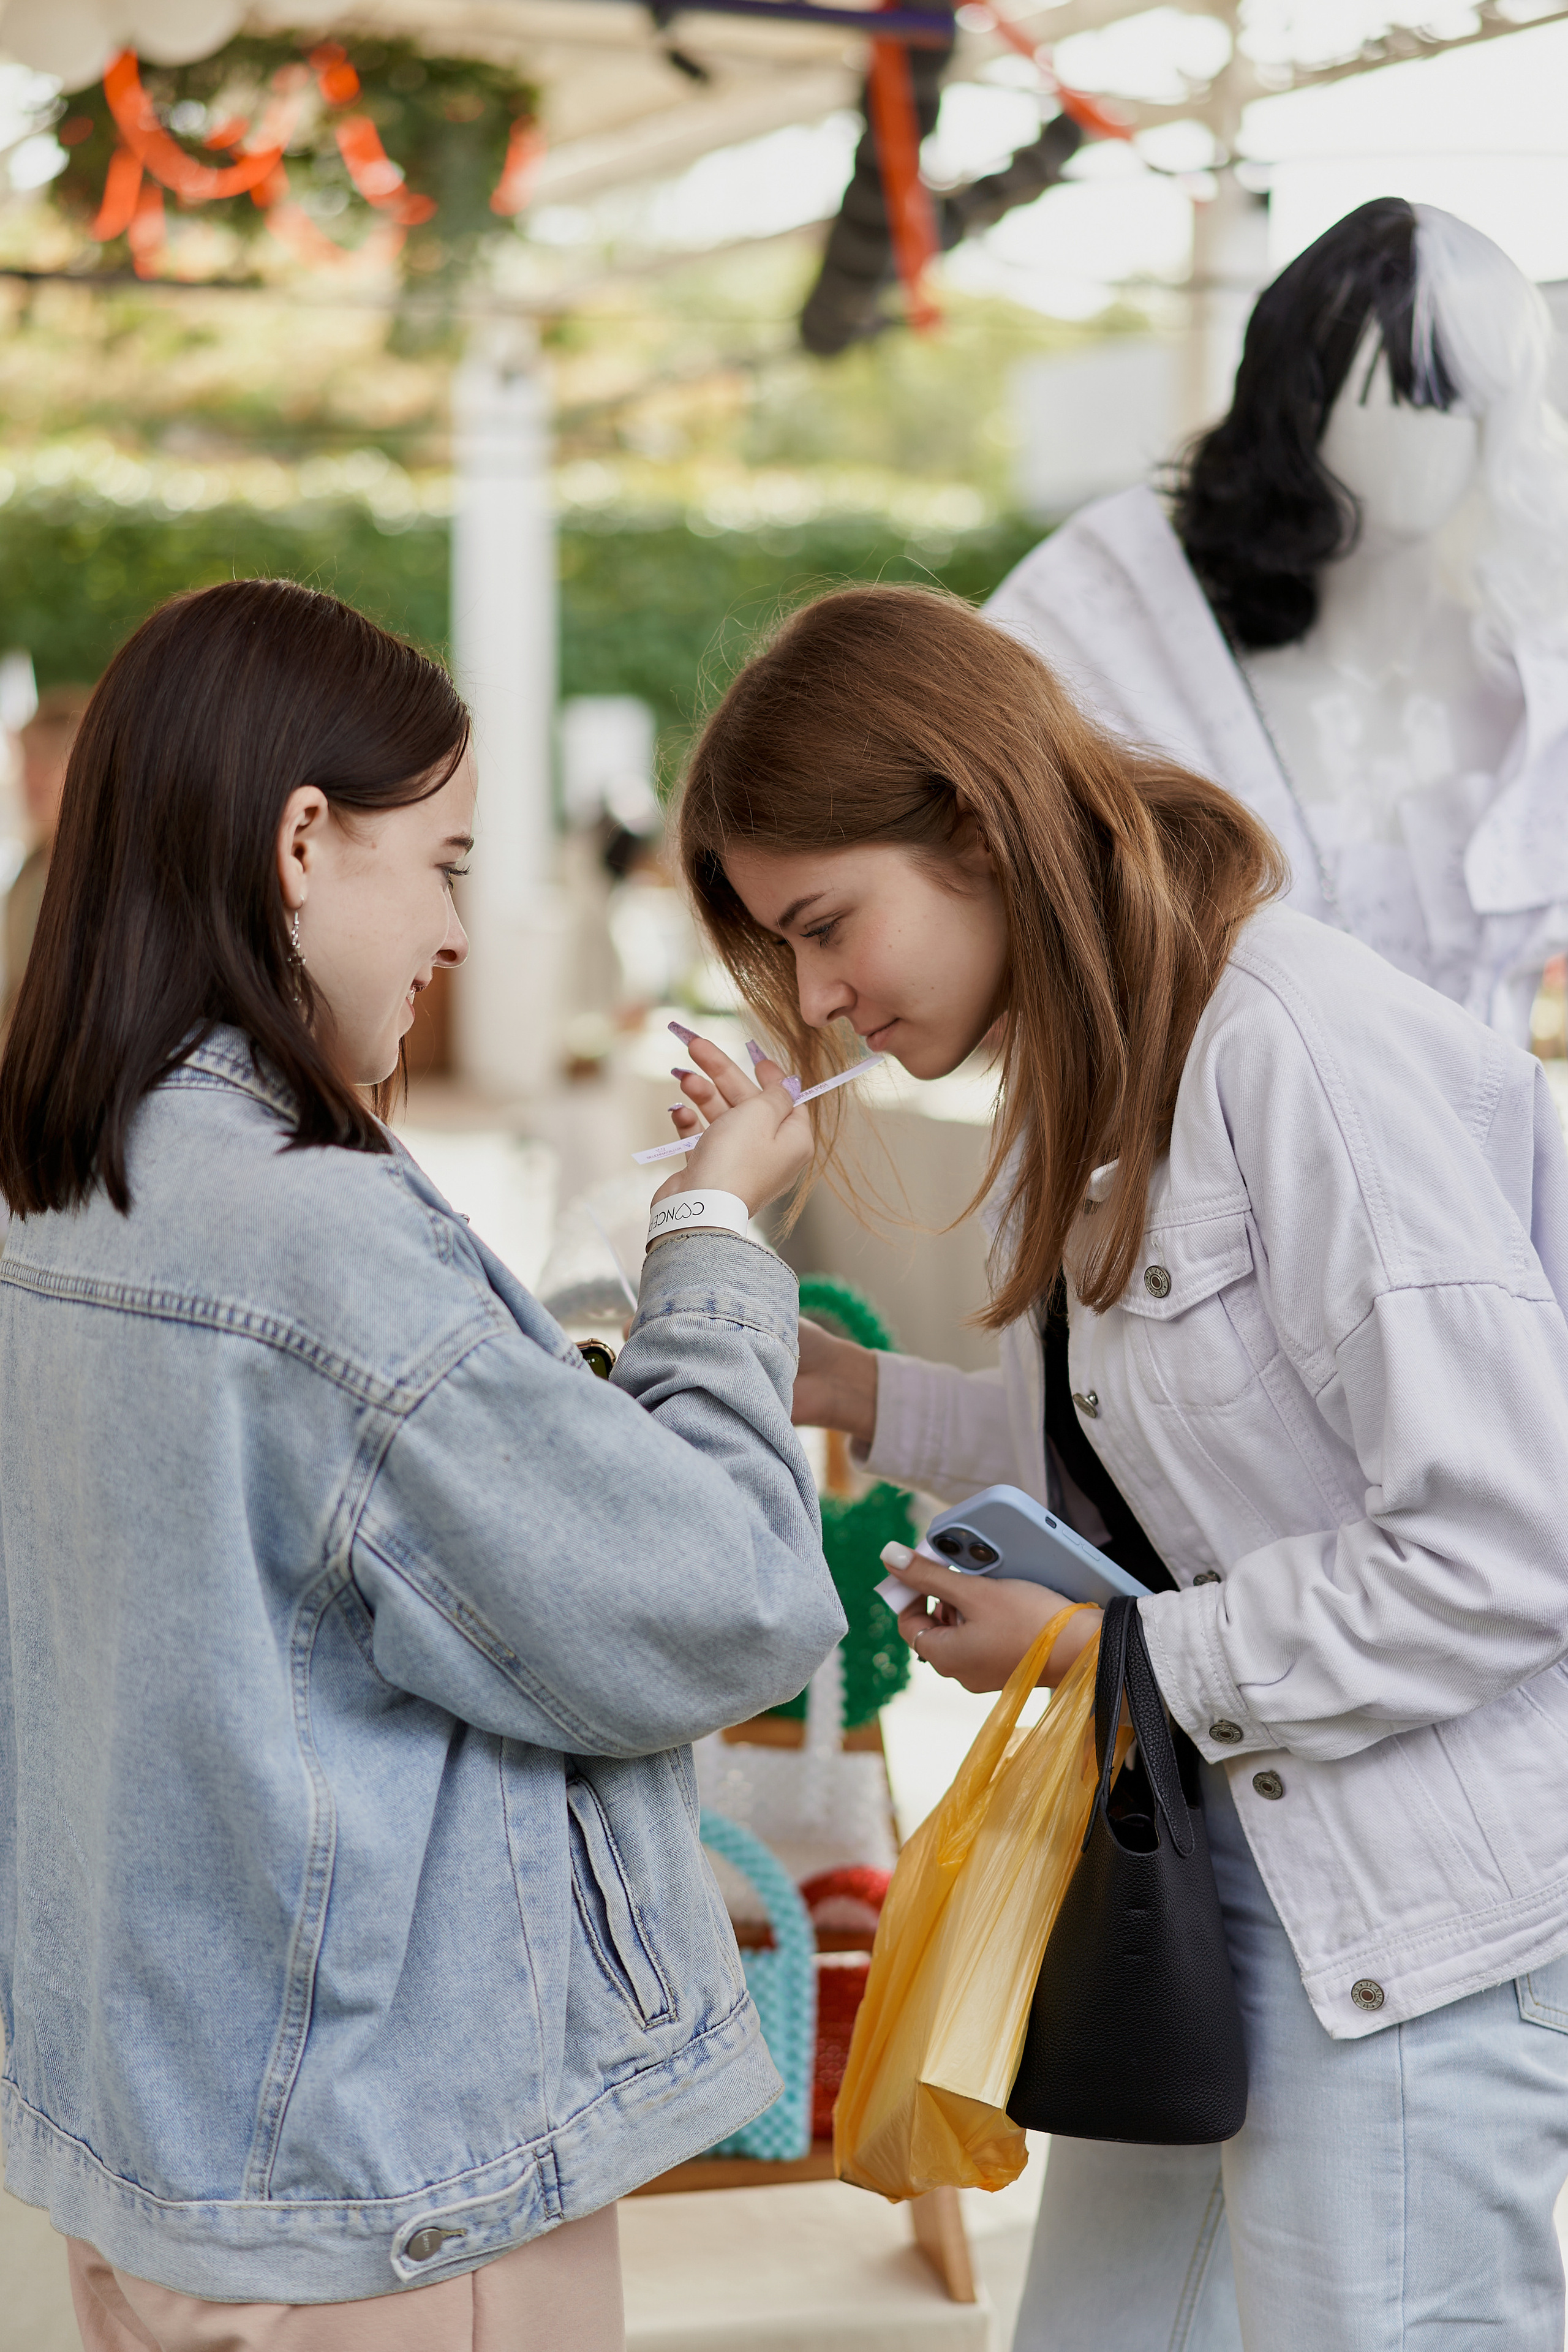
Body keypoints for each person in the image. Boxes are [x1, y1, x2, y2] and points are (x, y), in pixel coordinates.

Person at [669, 581, 1568, 2352]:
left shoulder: (1290, 1049)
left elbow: (1506, 1547)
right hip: (1206, 1872)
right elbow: (1143, 1450)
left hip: (1410, 1915)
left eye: (830, 923)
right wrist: (847, 1383)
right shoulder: (1103, 1068)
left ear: (979, 821)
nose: (825, 1002)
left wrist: (1104, 1655)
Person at [0, 579, 844, 2350]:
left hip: (155, 2163)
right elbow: (718, 1601)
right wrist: (710, 1238)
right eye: (448, 862)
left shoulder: (58, 1184)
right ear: (304, 842)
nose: (458, 928)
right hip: (387, 2195)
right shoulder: (318, 1240)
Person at [987, 200, 1568, 1042]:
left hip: (1480, 1165)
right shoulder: (1127, 631)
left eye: (1455, 396)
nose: (1425, 438)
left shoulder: (1529, 688)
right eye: (1389, 391)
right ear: (1299, 400)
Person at [3, 682, 92, 1027]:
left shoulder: (105, 875)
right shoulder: (29, 871)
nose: (31, 781)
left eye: (46, 761)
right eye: (28, 763)